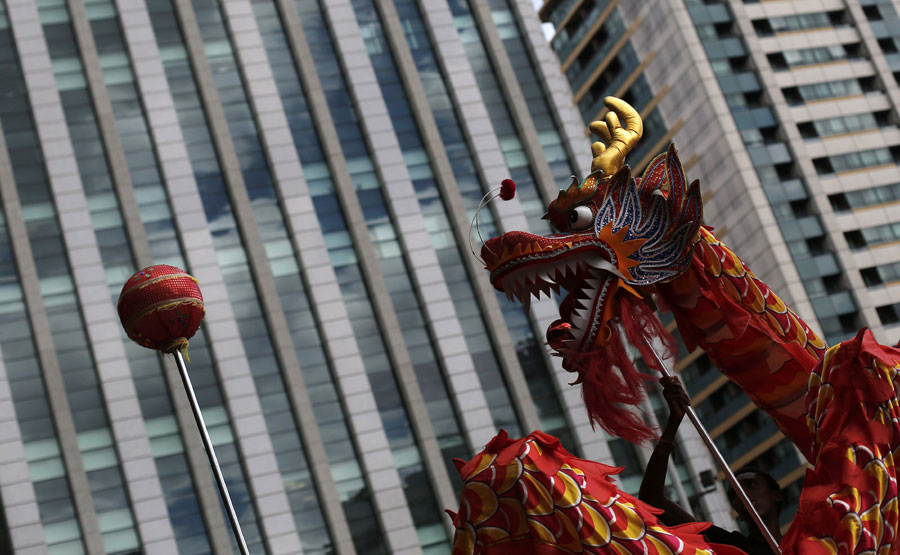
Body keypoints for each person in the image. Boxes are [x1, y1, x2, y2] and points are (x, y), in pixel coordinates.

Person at [638, 376, 782, 555]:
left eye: (751, 485)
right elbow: (652, 497)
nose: (743, 495)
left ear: (776, 495)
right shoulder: (729, 546)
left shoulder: (808, 543)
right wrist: (673, 423)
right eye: (735, 495)